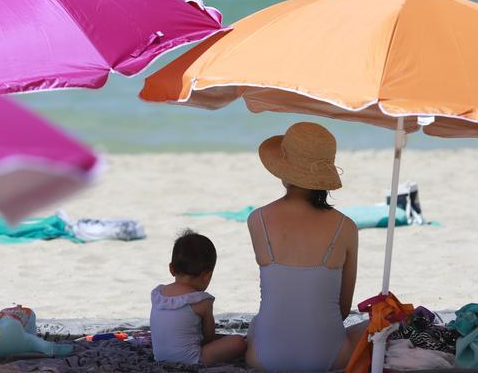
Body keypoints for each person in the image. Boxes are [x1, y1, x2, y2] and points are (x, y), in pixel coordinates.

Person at [246, 122, 366, 371]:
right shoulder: (346, 227)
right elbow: (343, 309)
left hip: (264, 359)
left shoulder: (257, 220)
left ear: (284, 169)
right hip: (330, 356)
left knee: (258, 324)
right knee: (377, 327)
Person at [150, 230, 247, 365]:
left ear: (171, 269)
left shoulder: (158, 294)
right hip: (191, 360)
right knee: (238, 342)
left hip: (160, 357)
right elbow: (208, 337)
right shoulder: (202, 301)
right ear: (207, 275)